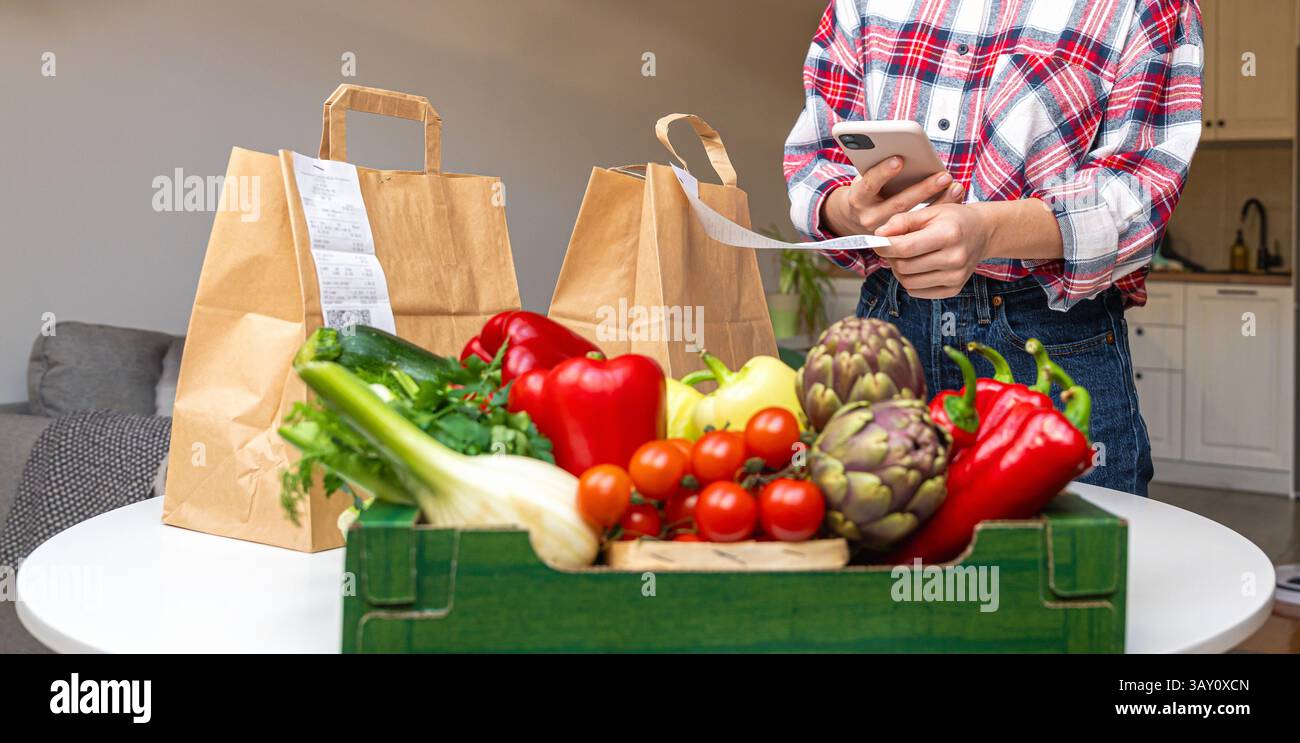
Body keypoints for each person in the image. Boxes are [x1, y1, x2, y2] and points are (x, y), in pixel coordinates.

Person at [783, 0, 1204, 496]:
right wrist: (851, 210)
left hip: (1049, 339)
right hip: (888, 329)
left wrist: (989, 230)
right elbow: (815, 161)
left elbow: (1138, 192)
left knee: (1072, 563)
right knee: (887, 565)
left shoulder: (1146, 7)